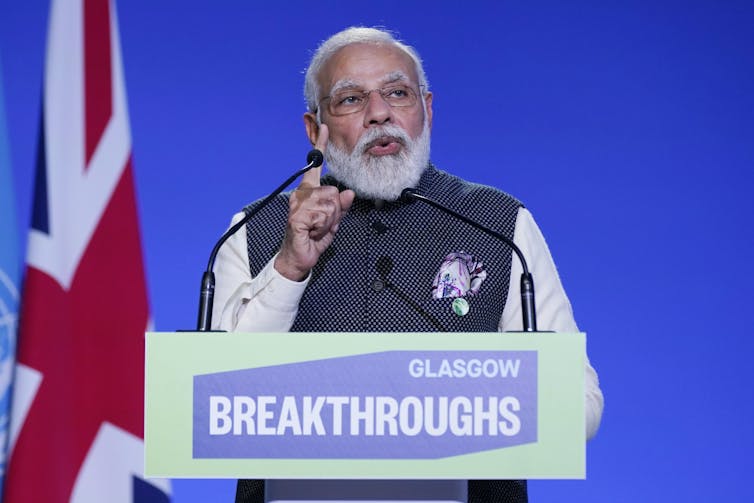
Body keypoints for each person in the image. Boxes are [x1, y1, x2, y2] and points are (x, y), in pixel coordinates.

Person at [212, 26, 604, 503]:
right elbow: (217, 403)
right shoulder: (256, 228)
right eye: (351, 99)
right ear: (315, 130)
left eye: (398, 93)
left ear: (427, 110)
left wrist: (445, 410)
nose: (380, 114)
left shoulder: (501, 224)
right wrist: (290, 267)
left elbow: (579, 406)